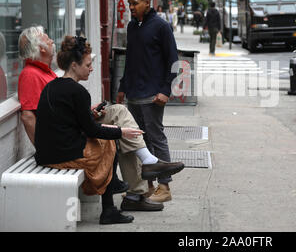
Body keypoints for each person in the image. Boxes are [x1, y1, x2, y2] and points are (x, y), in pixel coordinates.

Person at [17, 26, 182, 211]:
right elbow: (29, 117)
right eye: (47, 39)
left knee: (120, 116)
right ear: (40, 48)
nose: (52, 41)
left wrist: (88, 112)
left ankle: (139, 185)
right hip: (65, 141)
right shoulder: (31, 75)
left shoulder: (48, 73)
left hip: (71, 130)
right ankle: (139, 181)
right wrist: (43, 148)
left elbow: (63, 108)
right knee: (117, 131)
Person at [117, 0, 180, 203]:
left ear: (147, 2)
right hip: (133, 93)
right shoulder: (133, 27)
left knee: (156, 138)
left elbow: (173, 61)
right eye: (129, 3)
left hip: (153, 95)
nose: (131, 7)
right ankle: (148, 186)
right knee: (140, 143)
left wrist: (165, 90)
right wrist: (122, 86)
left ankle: (165, 187)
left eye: (135, 3)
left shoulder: (161, 27)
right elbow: (130, 61)